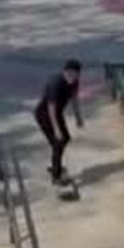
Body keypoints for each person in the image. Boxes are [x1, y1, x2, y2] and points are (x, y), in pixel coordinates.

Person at [34, 60, 84, 188]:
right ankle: (56, 176)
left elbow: (74, 99)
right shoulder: (55, 83)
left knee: (65, 138)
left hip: (57, 113)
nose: (74, 78)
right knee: (58, 143)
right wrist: (56, 129)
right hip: (44, 115)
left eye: (77, 75)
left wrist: (78, 117)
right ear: (66, 72)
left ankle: (56, 164)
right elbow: (51, 108)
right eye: (72, 75)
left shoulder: (74, 82)